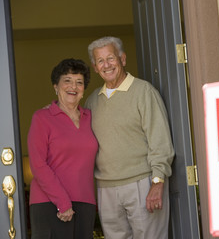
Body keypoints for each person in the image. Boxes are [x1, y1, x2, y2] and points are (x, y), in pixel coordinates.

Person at [85, 36, 174, 239]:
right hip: (106, 188)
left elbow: (160, 140)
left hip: (142, 182)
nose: (106, 65)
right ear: (95, 67)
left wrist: (158, 181)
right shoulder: (92, 102)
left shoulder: (144, 92)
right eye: (100, 61)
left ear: (122, 59)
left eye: (111, 58)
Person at [27, 58, 98, 239]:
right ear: (56, 86)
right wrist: (63, 202)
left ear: (83, 89)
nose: (73, 86)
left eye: (79, 82)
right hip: (49, 203)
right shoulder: (42, 117)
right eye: (67, 80)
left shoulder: (91, 117)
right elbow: (38, 164)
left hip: (85, 202)